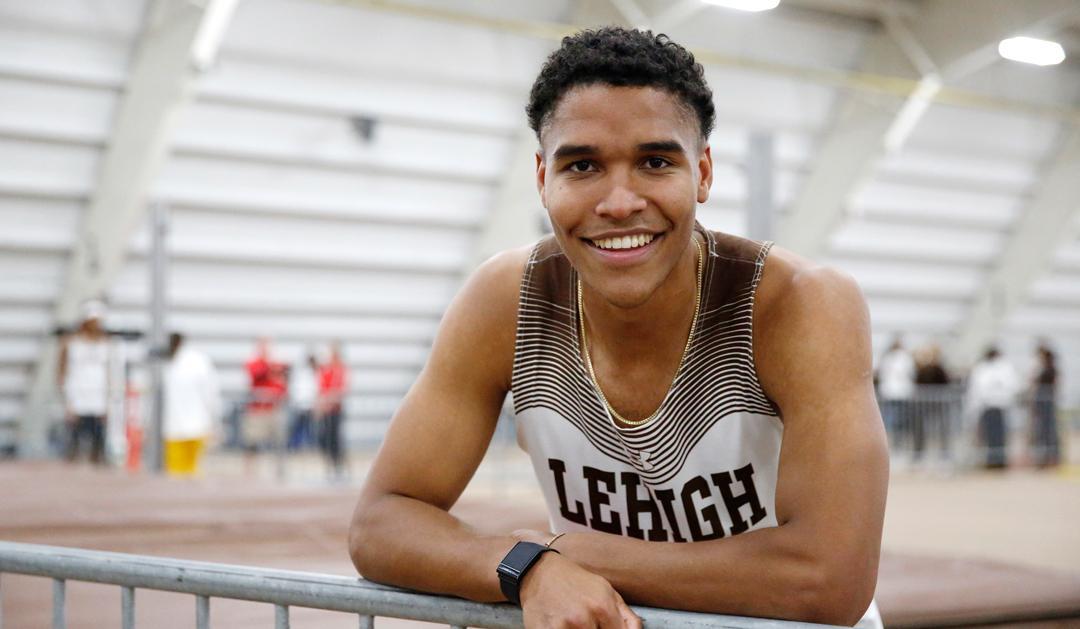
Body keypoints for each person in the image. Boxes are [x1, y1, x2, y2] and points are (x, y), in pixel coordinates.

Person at [349, 27, 887, 628]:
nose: (620, 201)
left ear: (703, 173)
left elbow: (829, 577)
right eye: (583, 166)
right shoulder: (506, 302)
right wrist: (527, 567)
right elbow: (381, 521)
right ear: (542, 179)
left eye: (655, 162)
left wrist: (570, 554)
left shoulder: (798, 303)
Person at [58, 300, 111, 465]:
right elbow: (62, 369)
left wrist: (110, 398)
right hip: (77, 392)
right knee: (74, 433)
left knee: (98, 432)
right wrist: (66, 397)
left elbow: (110, 371)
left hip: (98, 392)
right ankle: (72, 457)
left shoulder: (106, 344)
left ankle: (98, 456)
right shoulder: (71, 343)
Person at [162, 333, 221, 477]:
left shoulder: (184, 362)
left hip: (181, 428)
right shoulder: (196, 361)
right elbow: (211, 393)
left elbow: (210, 393)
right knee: (189, 474)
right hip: (190, 427)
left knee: (179, 474)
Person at [966, 346, 1019, 469]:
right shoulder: (983, 368)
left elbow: (1012, 385)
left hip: (999, 406)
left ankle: (999, 460)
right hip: (987, 406)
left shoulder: (1003, 368)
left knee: (1000, 435)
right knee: (989, 435)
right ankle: (991, 460)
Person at [243, 337, 287, 475]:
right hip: (257, 411)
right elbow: (256, 375)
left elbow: (281, 386)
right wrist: (269, 369)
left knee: (278, 442)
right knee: (252, 442)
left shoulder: (275, 364)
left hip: (272, 410)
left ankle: (278, 472)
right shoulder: (255, 363)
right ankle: (250, 472)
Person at [913, 343, 950, 463]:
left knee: (942, 429)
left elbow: (946, 382)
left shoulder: (939, 368)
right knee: (919, 428)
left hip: (939, 404)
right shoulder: (922, 369)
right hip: (923, 404)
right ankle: (919, 453)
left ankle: (944, 453)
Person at [876, 336, 915, 452]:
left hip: (892, 392)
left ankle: (893, 441)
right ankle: (895, 441)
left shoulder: (888, 358)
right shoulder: (904, 358)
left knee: (894, 419)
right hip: (898, 392)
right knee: (898, 419)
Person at [317, 342, 348, 479]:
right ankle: (329, 465)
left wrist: (329, 399)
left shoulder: (340, 368)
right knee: (324, 438)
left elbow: (340, 388)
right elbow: (321, 387)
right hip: (326, 409)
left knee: (335, 439)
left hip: (335, 410)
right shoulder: (326, 369)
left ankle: (338, 466)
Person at [1029, 342, 1060, 468]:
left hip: (1047, 404)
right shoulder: (1042, 369)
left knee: (1048, 431)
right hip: (1042, 404)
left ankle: (1051, 457)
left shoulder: (1050, 369)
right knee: (1041, 431)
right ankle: (1043, 458)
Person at [287, 352, 319, 451]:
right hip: (303, 405)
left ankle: (299, 446)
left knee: (304, 427)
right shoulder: (307, 375)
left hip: (304, 405)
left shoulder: (306, 374)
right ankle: (296, 446)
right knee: (300, 427)